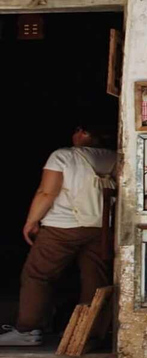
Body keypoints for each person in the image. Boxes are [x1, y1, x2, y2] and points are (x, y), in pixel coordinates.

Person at [0, 123, 117, 346]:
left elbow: (47, 192)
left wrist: (31, 221)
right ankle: (89, 333)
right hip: (100, 227)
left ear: (84, 133)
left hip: (61, 227)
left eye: (77, 130)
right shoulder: (114, 157)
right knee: (95, 278)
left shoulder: (62, 155)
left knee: (38, 275)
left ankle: (28, 330)